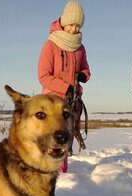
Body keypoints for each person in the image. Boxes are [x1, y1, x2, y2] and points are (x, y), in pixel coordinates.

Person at [38, 0, 91, 173]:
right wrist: (64, 87)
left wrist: (84, 75)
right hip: (54, 101)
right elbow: (44, 76)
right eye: (71, 25)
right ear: (64, 22)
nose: (74, 29)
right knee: (54, 137)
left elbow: (86, 68)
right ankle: (49, 171)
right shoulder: (50, 45)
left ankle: (63, 174)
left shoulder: (80, 47)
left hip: (73, 100)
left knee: (68, 137)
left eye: (78, 26)